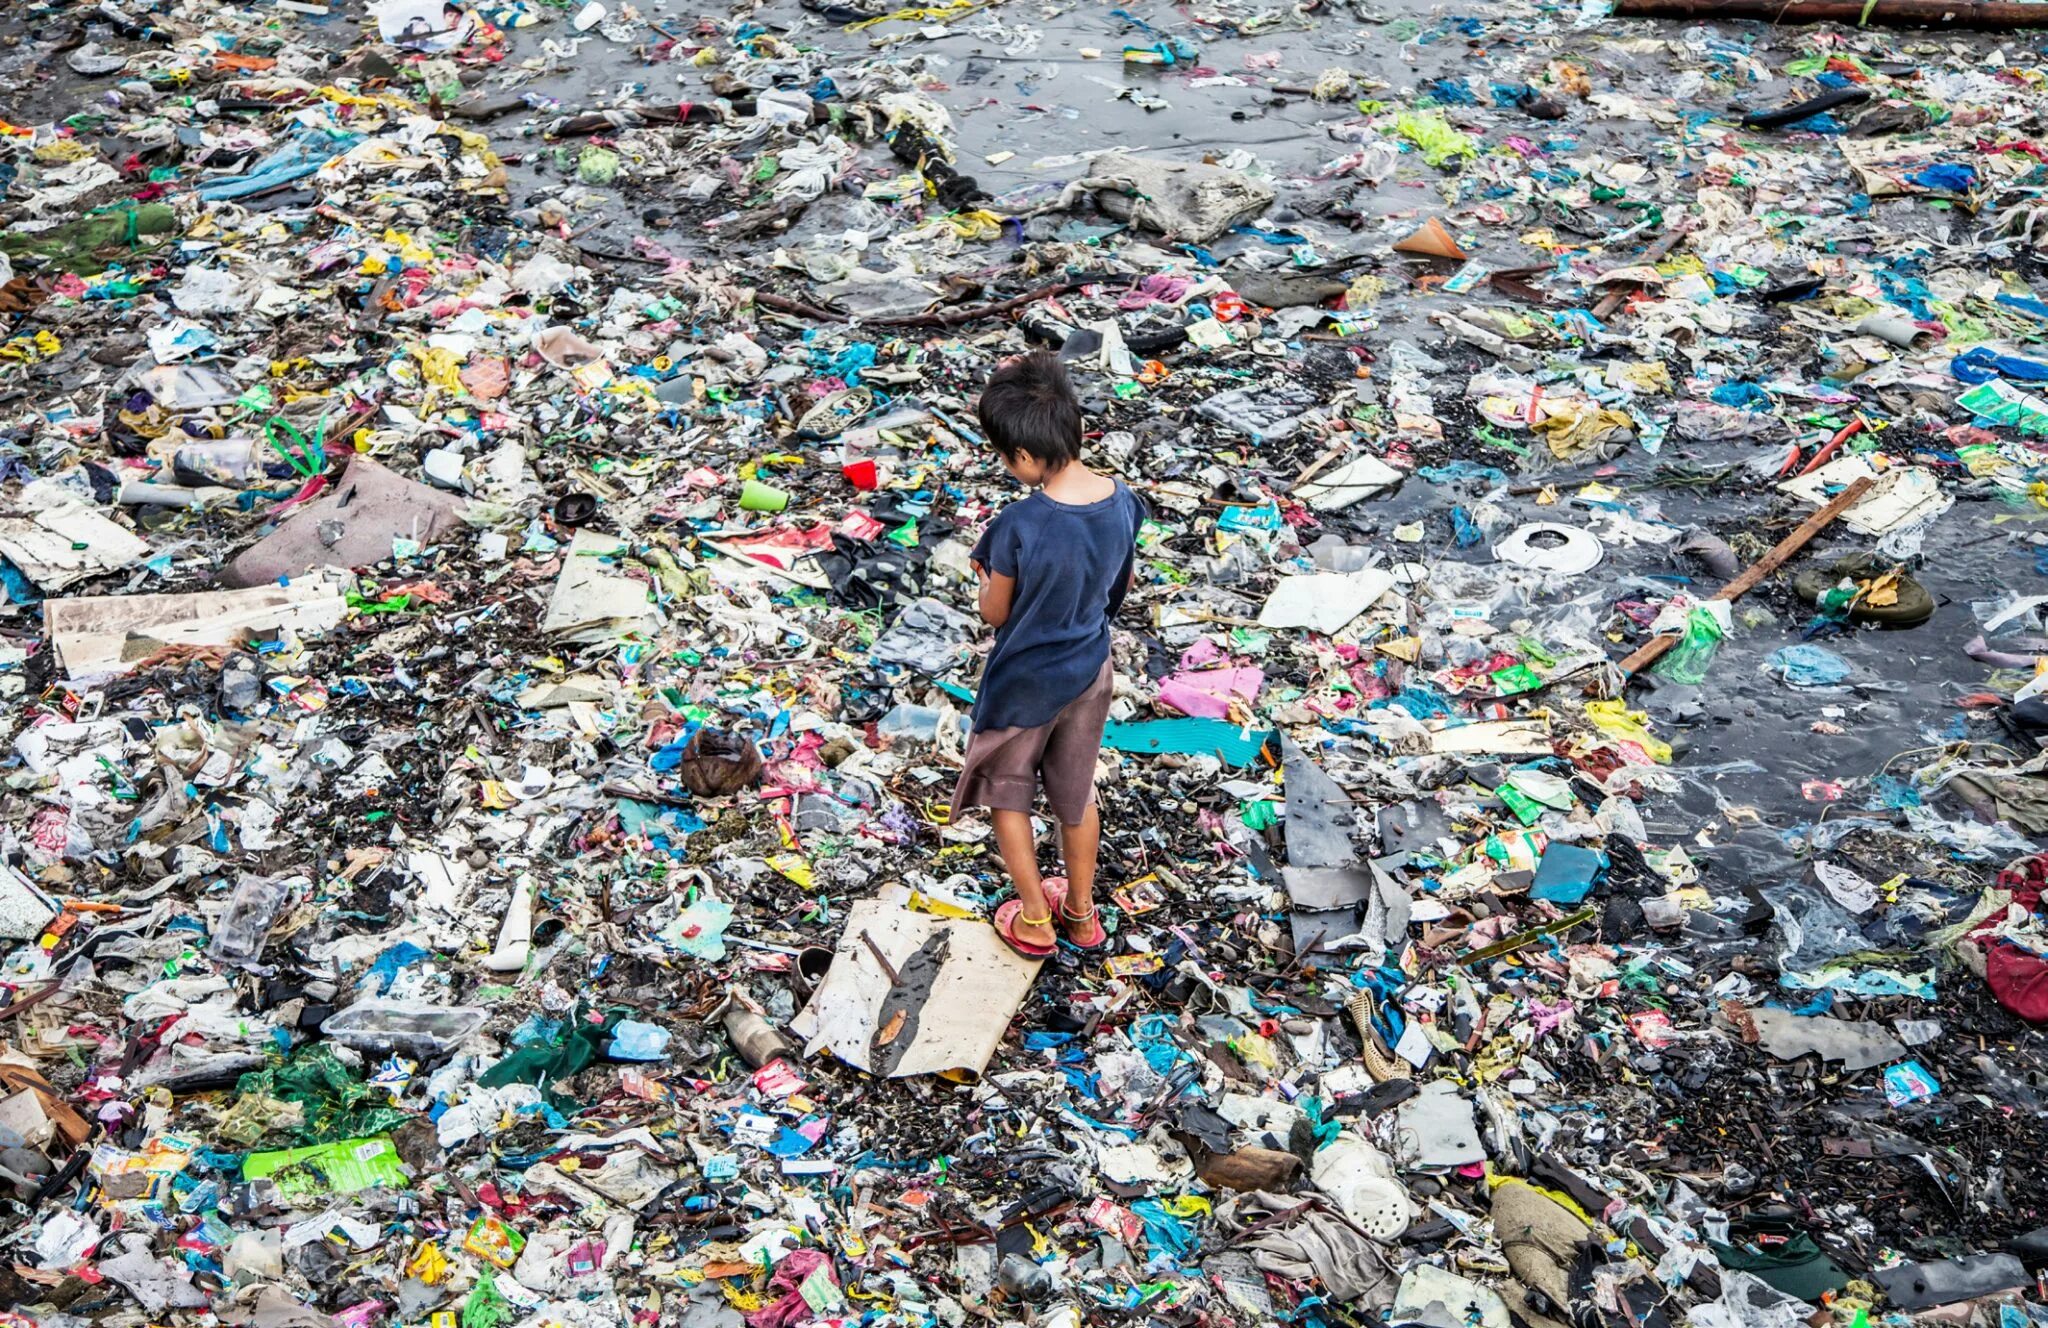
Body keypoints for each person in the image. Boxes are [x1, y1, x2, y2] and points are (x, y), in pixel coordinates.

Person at [953, 352, 1146, 959]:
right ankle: (1082, 916)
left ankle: (1035, 917)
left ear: (1026, 456)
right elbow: (1120, 586)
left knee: (1007, 790)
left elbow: (996, 613)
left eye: (1006, 457)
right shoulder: (1123, 501)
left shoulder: (1019, 523)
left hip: (1024, 681)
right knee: (1074, 792)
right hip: (1090, 670)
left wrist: (986, 578)